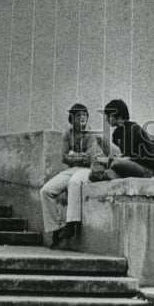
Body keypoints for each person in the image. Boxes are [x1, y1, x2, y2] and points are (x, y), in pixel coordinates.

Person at [39, 103, 110, 247]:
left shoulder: (91, 135)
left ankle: (71, 224)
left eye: (85, 115)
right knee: (45, 191)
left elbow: (89, 159)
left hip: (88, 169)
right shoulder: (67, 134)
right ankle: (55, 228)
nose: (82, 117)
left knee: (74, 183)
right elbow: (64, 158)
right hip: (72, 169)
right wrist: (77, 156)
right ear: (73, 119)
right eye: (79, 115)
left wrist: (73, 155)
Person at [92, 98, 154, 180]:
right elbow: (118, 154)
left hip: (144, 169)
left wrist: (115, 159)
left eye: (109, 116)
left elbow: (127, 158)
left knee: (117, 163)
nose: (107, 119)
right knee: (94, 170)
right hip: (126, 165)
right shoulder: (116, 134)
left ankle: (109, 174)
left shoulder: (132, 129)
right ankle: (106, 175)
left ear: (118, 116)